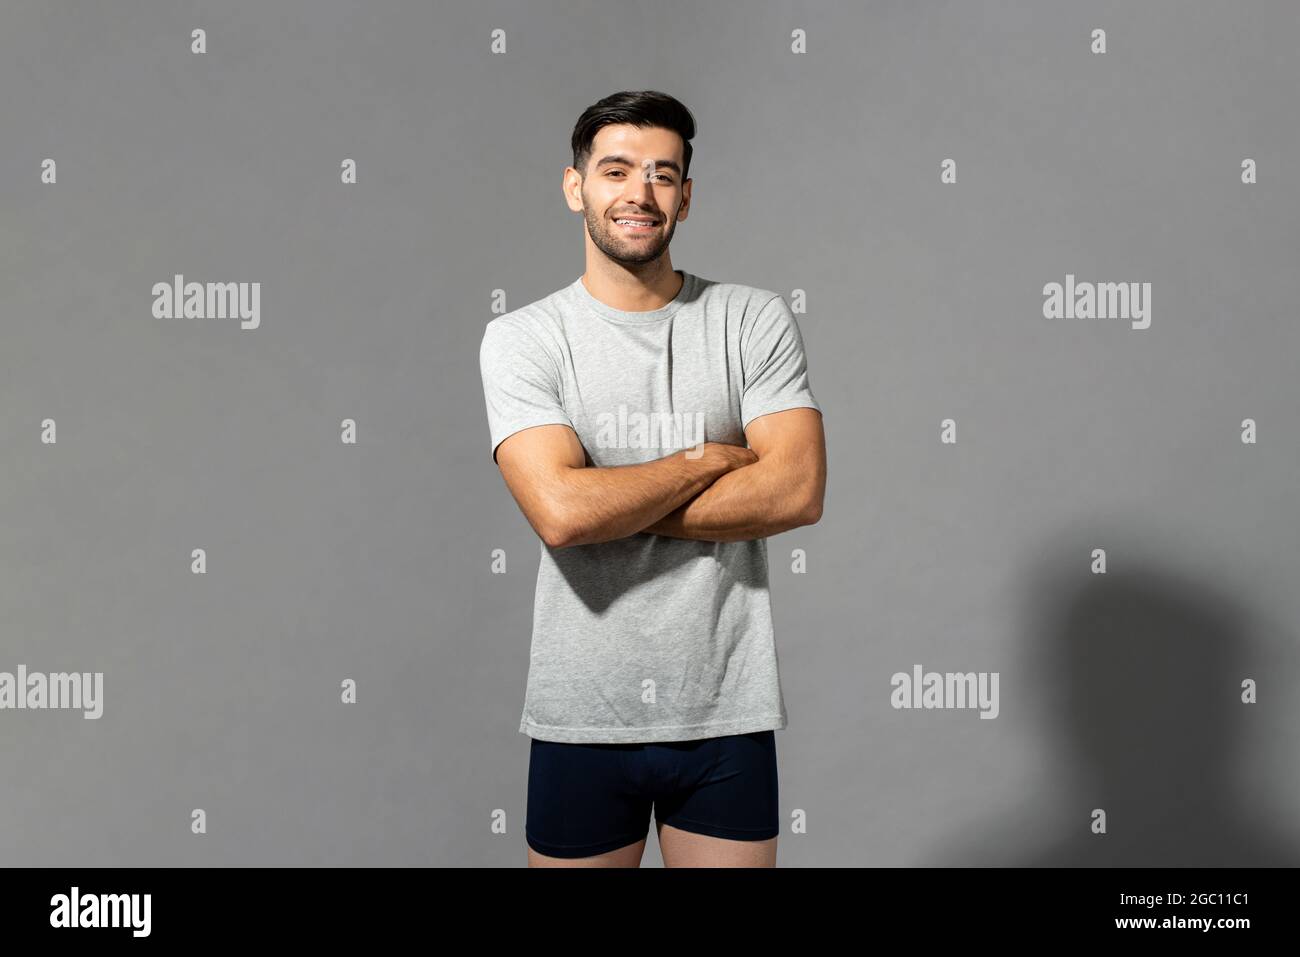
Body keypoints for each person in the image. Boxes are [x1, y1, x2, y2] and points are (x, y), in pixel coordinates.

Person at [478, 90, 827, 867]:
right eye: (616, 170)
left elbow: (796, 490)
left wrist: (610, 493)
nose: (640, 192)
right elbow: (561, 514)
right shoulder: (523, 338)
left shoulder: (750, 319)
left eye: (663, 175)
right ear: (577, 188)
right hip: (582, 714)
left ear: (686, 197)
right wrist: (700, 461)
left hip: (725, 711)